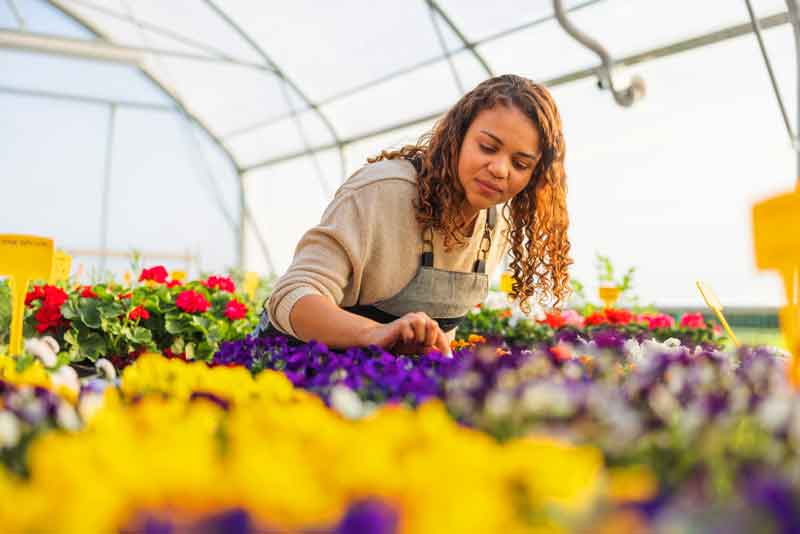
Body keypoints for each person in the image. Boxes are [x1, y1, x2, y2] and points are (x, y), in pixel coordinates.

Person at [255, 74, 571, 356]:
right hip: (292, 366)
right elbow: (292, 296)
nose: (500, 170)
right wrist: (374, 333)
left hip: (380, 383)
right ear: (458, 137)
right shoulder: (383, 191)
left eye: (520, 164)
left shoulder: (494, 227)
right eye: (488, 147)